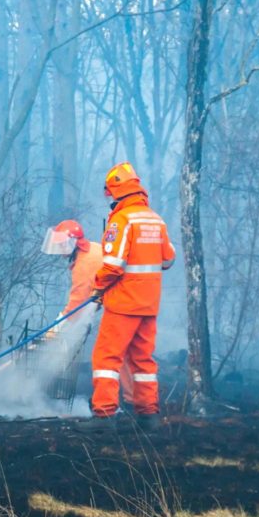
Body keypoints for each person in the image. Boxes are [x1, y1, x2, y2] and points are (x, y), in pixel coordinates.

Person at [90, 162, 175, 429]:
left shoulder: (122, 220)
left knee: (106, 359)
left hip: (123, 304)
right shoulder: (154, 219)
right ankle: (148, 415)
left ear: (116, 190)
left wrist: (97, 285)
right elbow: (168, 260)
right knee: (143, 362)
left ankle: (104, 415)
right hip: (148, 305)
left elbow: (114, 265)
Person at [42, 220, 134, 406]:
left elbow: (78, 303)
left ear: (72, 242)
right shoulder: (91, 248)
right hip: (125, 301)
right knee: (124, 353)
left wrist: (57, 326)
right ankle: (133, 400)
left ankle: (126, 403)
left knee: (111, 354)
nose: (59, 249)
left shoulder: (83, 265)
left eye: (61, 244)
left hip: (121, 305)